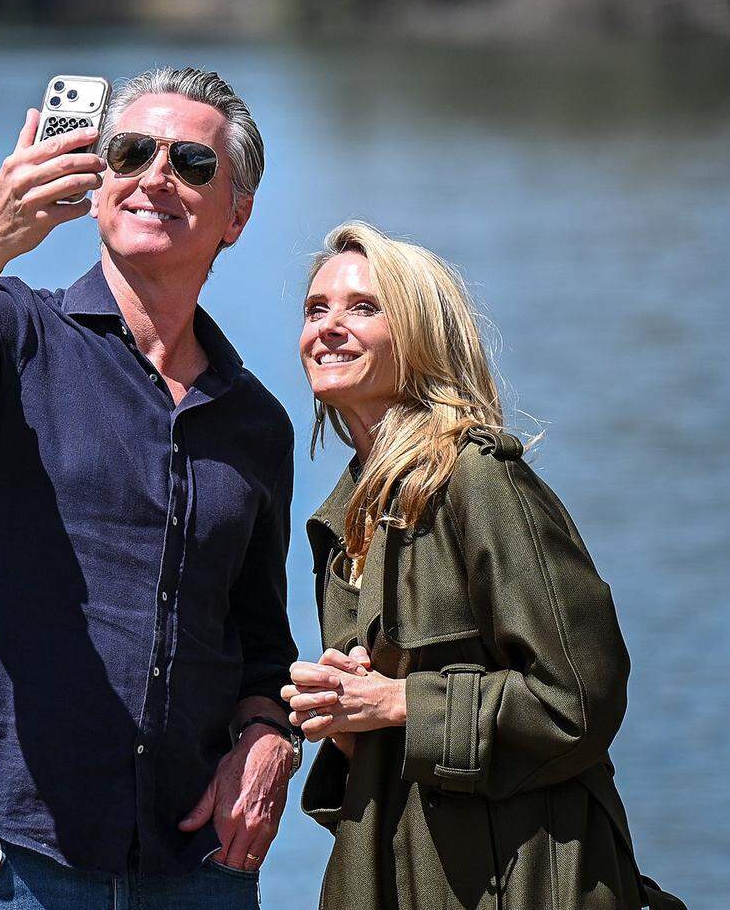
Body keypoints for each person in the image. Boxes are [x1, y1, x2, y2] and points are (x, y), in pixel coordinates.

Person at [0, 67, 301, 909]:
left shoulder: (256, 423)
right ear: (97, 184)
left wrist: (270, 735)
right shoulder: (9, 328)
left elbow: (260, 638)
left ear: (236, 216)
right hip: (2, 855)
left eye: (193, 163)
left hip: (194, 864)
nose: (156, 176)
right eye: (130, 152)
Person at [282, 222, 684, 910]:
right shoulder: (344, 517)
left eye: (363, 308)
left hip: (524, 883)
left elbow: (580, 698)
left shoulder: (480, 480)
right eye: (316, 308)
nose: (329, 327)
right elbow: (396, 745)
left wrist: (399, 700)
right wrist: (347, 725)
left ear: (421, 337)